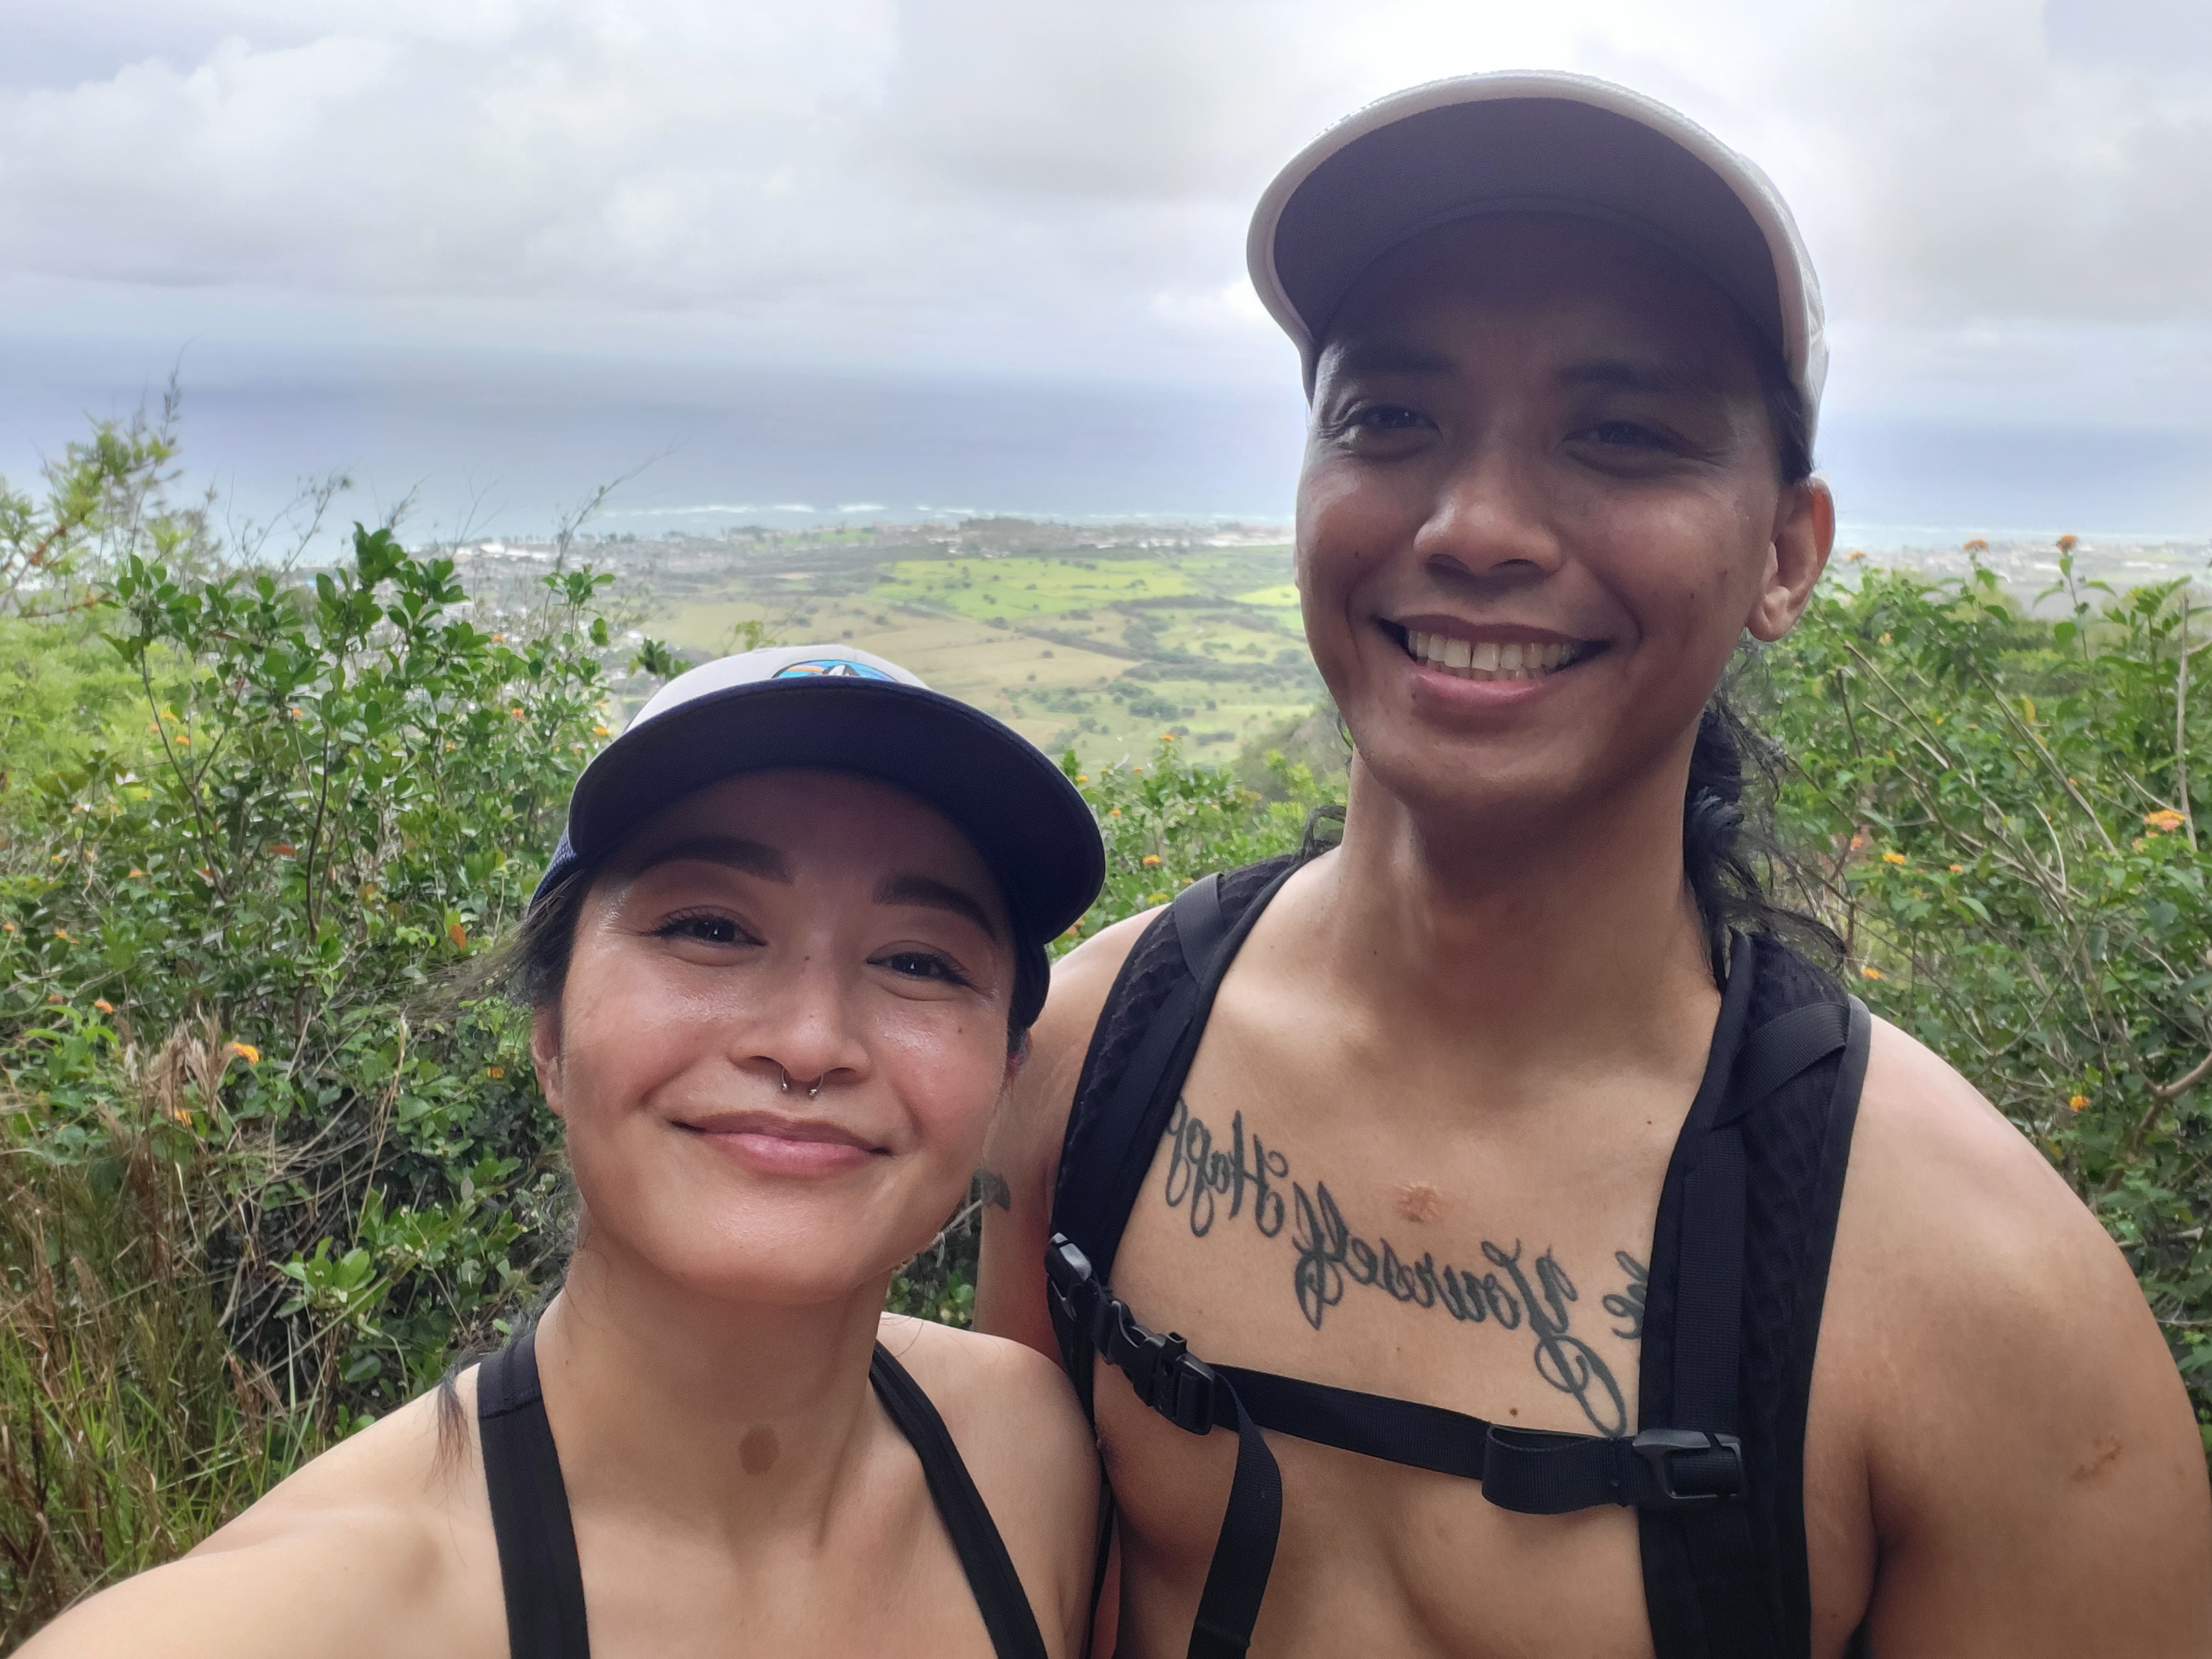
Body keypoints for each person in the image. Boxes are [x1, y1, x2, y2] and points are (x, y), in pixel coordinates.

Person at [976, 72, 2212, 1658]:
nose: (1477, 524)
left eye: (1624, 435)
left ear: (1787, 554)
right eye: (1388, 418)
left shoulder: (1989, 1308)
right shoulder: (1083, 1062)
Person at [25, 645, 1107, 1659]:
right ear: (549, 1035)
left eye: (921, 962)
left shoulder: (1029, 1463)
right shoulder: (283, 1622)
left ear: (1006, 1072)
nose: (810, 1041)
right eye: (711, 929)